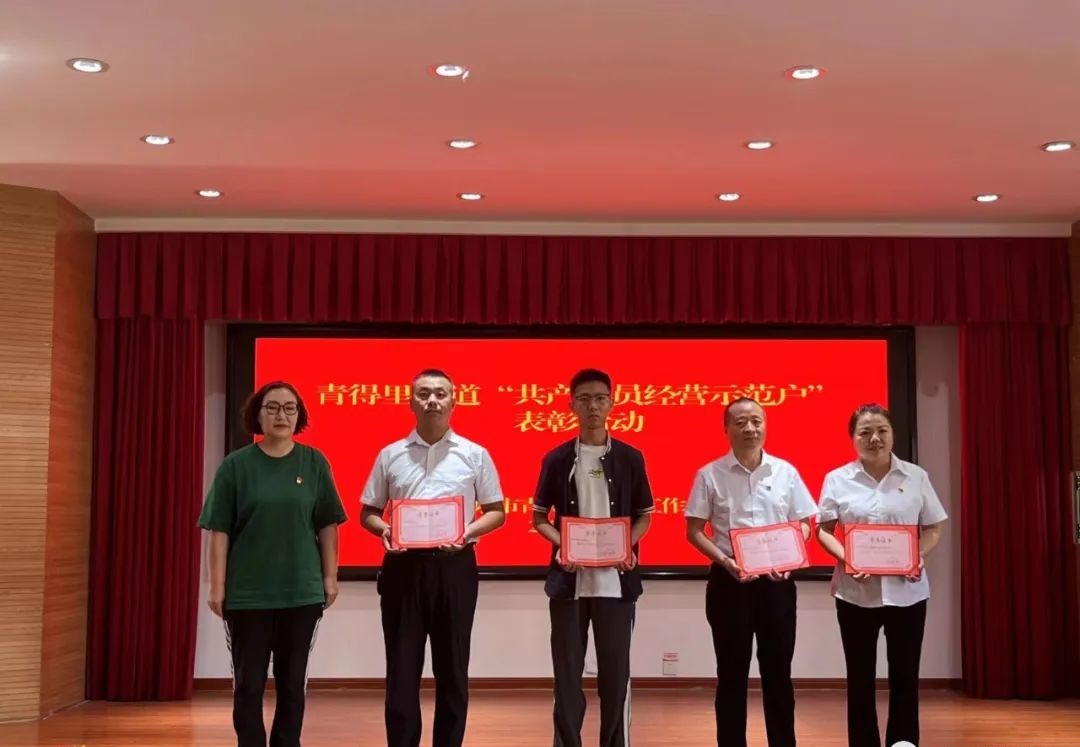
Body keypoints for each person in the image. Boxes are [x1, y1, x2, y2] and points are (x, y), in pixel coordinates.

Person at [359, 368, 506, 747]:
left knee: (453, 669)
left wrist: (467, 532)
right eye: (424, 394)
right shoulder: (390, 454)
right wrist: (385, 529)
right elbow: (368, 512)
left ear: (454, 401)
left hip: (454, 568)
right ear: (411, 402)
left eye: (440, 394)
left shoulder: (474, 454)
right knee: (402, 671)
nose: (432, 401)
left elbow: (496, 511)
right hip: (403, 569)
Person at [198, 380, 348, 747]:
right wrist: (217, 586)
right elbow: (219, 530)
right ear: (258, 415)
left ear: (298, 416)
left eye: (289, 408)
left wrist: (330, 577)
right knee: (248, 684)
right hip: (248, 595)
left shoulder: (314, 462)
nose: (282, 415)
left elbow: (327, 525)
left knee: (292, 682)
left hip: (301, 593)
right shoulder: (236, 466)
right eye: (273, 407)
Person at [532, 368, 655, 747]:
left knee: (615, 678)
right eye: (584, 399)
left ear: (612, 403)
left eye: (600, 398)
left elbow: (644, 515)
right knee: (566, 677)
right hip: (569, 584)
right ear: (571, 405)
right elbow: (539, 518)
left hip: (617, 585)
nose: (593, 406)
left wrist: (628, 546)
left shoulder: (630, 458)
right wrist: (562, 547)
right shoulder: (556, 459)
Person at [684, 396, 817, 747]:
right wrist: (725, 560)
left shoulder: (786, 472)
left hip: (777, 585)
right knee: (731, 675)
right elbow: (694, 531)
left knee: (778, 674)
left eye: (757, 421)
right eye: (740, 422)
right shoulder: (709, 474)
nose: (750, 428)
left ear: (765, 426)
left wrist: (789, 555)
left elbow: (806, 523)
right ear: (726, 429)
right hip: (729, 583)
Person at [816, 403, 948, 747]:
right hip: (855, 594)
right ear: (853, 438)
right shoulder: (837, 479)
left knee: (905, 675)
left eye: (881, 431)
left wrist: (916, 555)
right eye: (865, 432)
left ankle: (903, 742)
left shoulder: (916, 476)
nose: (874, 438)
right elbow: (823, 530)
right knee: (860, 678)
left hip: (908, 592)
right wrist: (847, 557)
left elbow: (933, 527)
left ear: (892, 435)